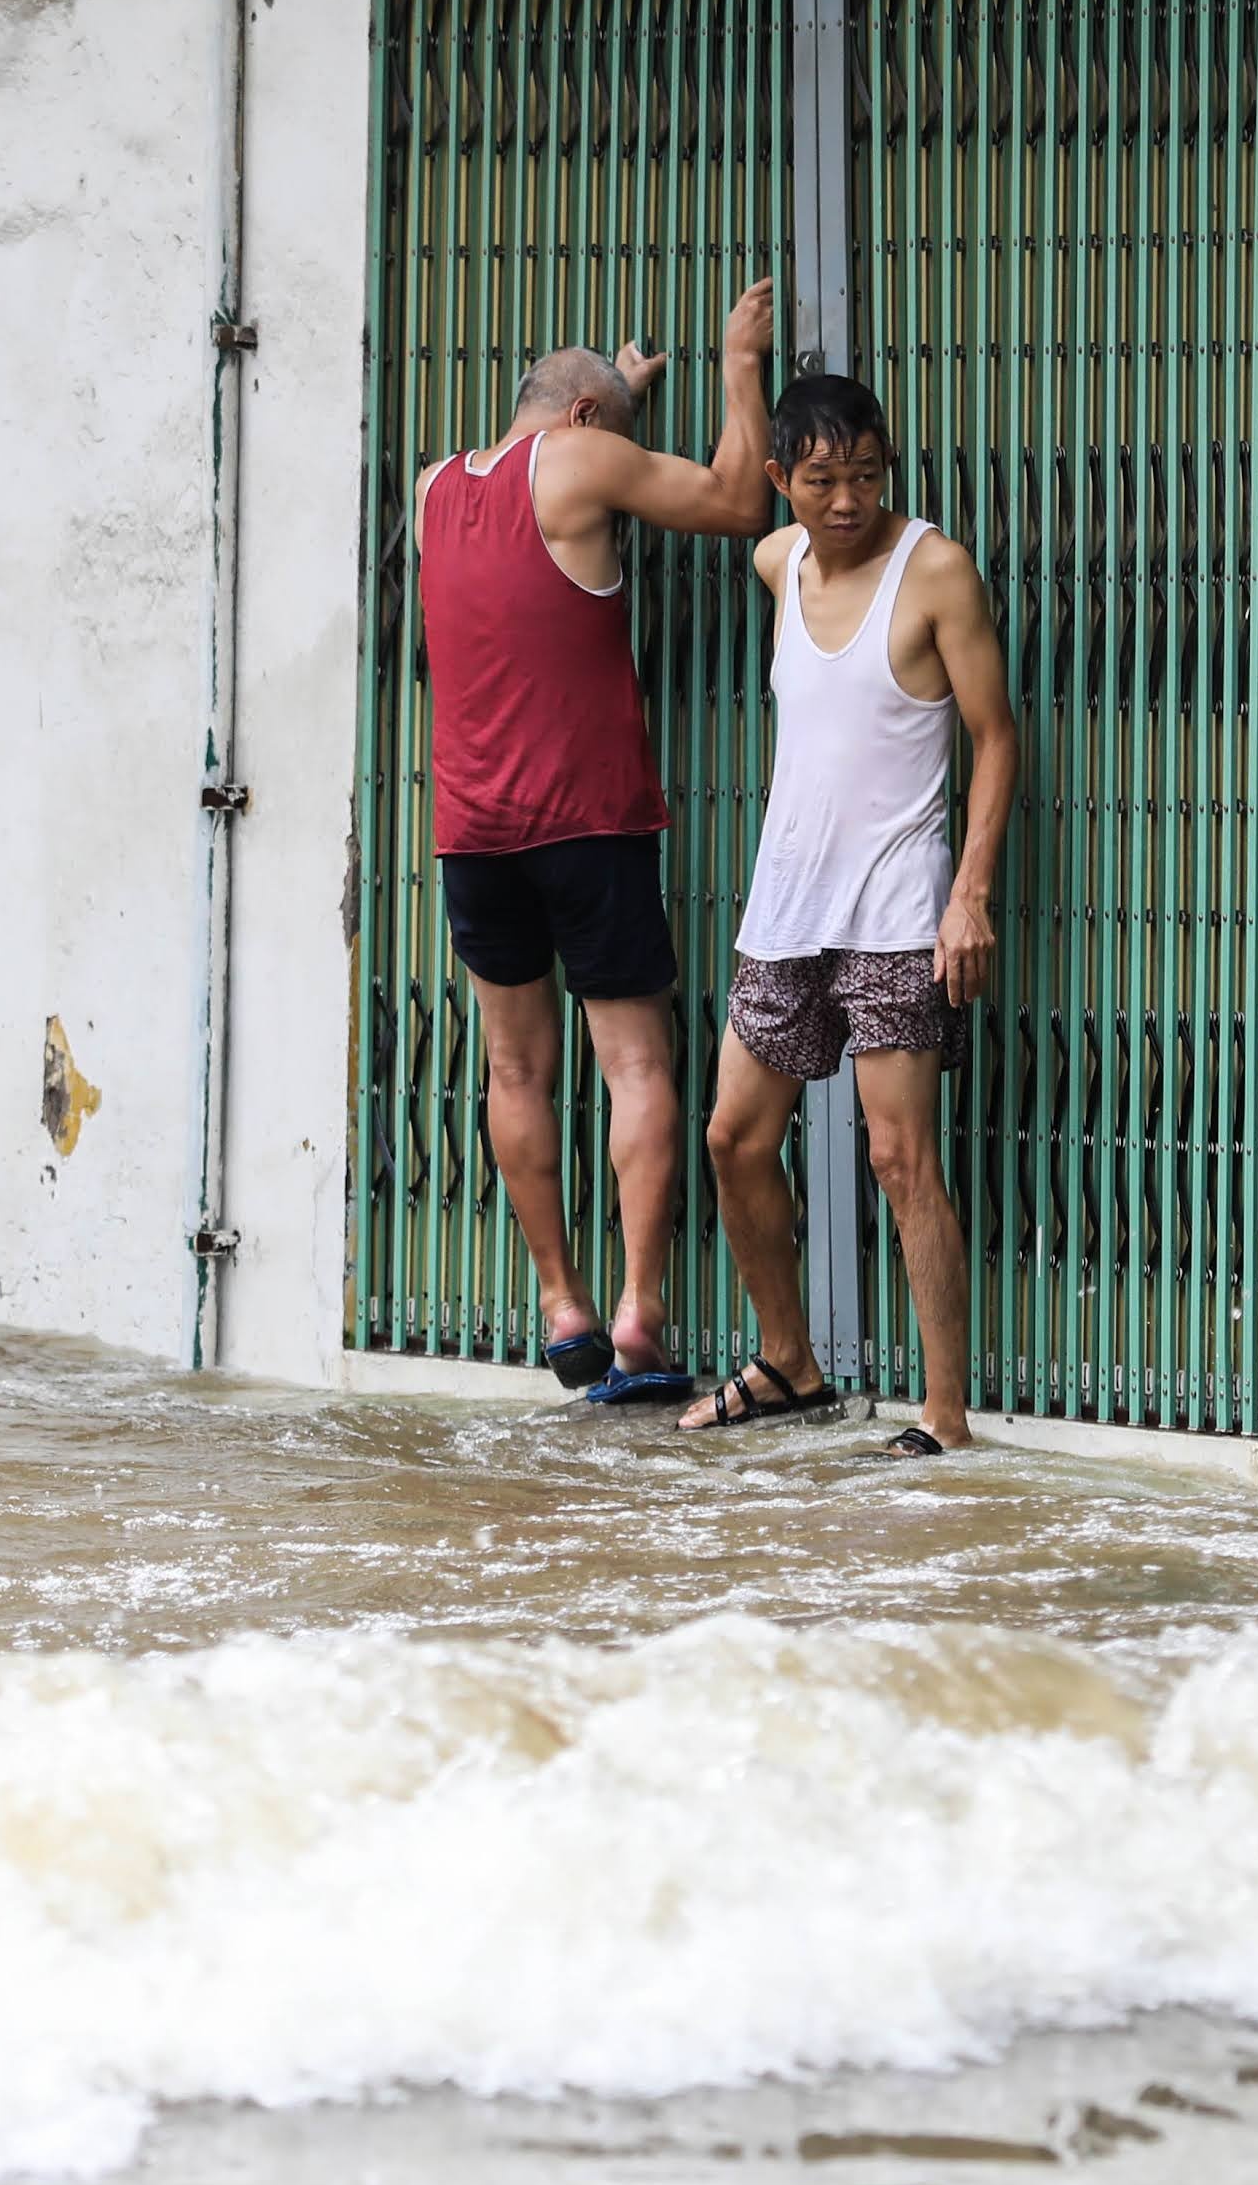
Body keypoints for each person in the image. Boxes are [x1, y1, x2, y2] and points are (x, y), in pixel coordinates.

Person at [415, 279, 777, 1400]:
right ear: (583, 424)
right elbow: (731, 501)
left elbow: (562, 449)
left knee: (515, 1066)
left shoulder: (431, 485)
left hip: (472, 832)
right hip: (587, 822)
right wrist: (737, 365)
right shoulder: (577, 464)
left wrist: (615, 393)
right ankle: (639, 1310)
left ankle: (558, 1303)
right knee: (632, 1063)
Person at [683, 372, 1022, 1457]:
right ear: (783, 478)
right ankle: (788, 1360)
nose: (845, 501)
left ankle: (944, 1417)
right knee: (733, 1138)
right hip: (786, 901)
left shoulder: (933, 570)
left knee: (896, 1155)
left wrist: (965, 896)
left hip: (893, 904)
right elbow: (738, 504)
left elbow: (996, 736)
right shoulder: (772, 561)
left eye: (865, 475)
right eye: (821, 480)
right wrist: (741, 370)